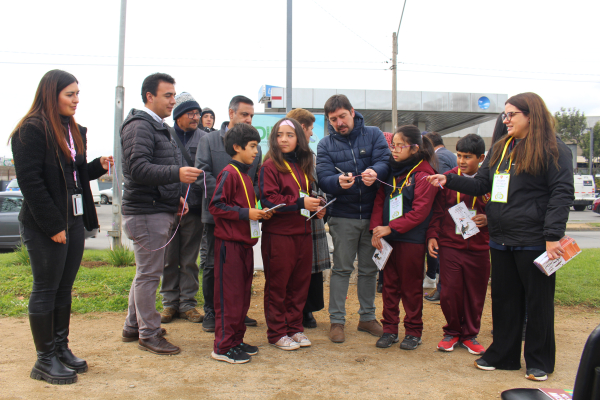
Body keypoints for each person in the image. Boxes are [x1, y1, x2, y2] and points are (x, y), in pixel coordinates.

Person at [426, 92, 574, 381]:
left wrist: (553, 236)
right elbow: (483, 182)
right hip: (500, 238)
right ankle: (504, 355)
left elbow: (561, 193)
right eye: (504, 114)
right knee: (505, 299)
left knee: (537, 302)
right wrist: (450, 179)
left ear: (531, 115)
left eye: (511, 114)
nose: (505, 120)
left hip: (534, 239)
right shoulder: (502, 147)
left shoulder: (554, 149)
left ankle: (539, 361)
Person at [10, 70, 111, 384]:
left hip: (74, 220)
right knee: (46, 289)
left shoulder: (73, 130)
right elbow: (31, 183)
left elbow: (75, 174)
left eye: (78, 94)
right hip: (45, 224)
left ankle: (60, 349)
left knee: (64, 289)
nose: (76, 100)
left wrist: (98, 166)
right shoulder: (31, 130)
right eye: (70, 94)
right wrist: (53, 225)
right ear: (51, 94)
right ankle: (44, 360)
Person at [120, 73, 202, 355]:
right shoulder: (140, 126)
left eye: (173, 94)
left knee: (145, 272)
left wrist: (174, 197)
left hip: (156, 208)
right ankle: (149, 333)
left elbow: (153, 169)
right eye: (167, 95)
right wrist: (176, 174)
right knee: (148, 276)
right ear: (149, 97)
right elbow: (138, 169)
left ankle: (134, 326)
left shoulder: (156, 126)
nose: (173, 100)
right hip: (145, 212)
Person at [316, 94, 391, 343]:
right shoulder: (325, 144)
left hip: (373, 216)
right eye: (333, 119)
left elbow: (385, 161)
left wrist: (375, 172)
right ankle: (337, 321)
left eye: (342, 116)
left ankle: (367, 317)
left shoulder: (374, 134)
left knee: (369, 270)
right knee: (342, 269)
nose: (339, 123)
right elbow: (323, 176)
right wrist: (336, 182)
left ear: (352, 111)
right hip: (343, 216)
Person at [370, 125, 439, 350]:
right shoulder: (393, 169)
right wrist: (376, 229)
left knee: (410, 287)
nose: (395, 150)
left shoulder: (424, 174)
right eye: (393, 146)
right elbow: (380, 198)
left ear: (415, 148)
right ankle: (389, 329)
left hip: (411, 239)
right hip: (389, 238)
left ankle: (413, 331)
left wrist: (390, 228)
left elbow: (420, 211)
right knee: (389, 285)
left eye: (401, 146)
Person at [196, 95, 261, 332]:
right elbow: (202, 173)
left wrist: (247, 204)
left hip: (243, 218)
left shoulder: (255, 148)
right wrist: (229, 197)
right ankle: (212, 312)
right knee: (213, 265)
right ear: (231, 113)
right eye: (244, 114)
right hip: (217, 215)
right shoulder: (209, 139)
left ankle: (236, 312)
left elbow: (255, 181)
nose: (249, 119)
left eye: (252, 115)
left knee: (239, 269)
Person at [209, 123, 271, 364]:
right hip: (229, 246)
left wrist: (259, 213)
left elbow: (243, 207)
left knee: (243, 296)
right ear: (236, 147)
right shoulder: (228, 173)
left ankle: (236, 340)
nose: (256, 151)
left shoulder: (245, 175)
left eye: (257, 146)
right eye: (253, 146)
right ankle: (223, 347)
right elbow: (216, 206)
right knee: (229, 297)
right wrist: (247, 214)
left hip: (244, 245)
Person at [259, 118, 322, 350]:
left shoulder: (302, 164)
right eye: (279, 135)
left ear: (299, 139)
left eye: (289, 135)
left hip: (303, 232)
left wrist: (316, 206)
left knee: (300, 284)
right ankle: (276, 332)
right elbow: (270, 199)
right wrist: (300, 201)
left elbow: (305, 194)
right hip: (279, 234)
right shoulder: (269, 166)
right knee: (278, 285)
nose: (283, 139)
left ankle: (294, 327)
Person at [426, 134, 490, 355]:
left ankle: (470, 335)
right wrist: (432, 235)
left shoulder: (489, 180)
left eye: (468, 157)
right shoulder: (447, 178)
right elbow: (437, 210)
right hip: (451, 245)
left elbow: (503, 208)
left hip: (480, 247)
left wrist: (488, 219)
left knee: (475, 293)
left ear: (481, 158)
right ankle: (451, 332)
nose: (462, 161)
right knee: (449, 292)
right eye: (459, 156)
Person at [160, 92, 207, 324]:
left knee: (189, 258)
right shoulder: (163, 135)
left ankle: (188, 303)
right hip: (168, 206)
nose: (196, 117)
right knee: (169, 258)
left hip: (195, 207)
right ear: (178, 115)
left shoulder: (205, 138)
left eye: (198, 113)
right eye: (191, 113)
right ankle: (169, 304)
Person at [286, 108, 330, 328]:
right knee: (291, 267)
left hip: (312, 219)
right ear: (302, 127)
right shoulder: (279, 158)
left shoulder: (311, 156)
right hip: (290, 218)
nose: (312, 134)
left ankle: (308, 308)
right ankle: (292, 309)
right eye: (311, 128)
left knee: (311, 267)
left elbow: (320, 186)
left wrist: (321, 204)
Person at [423, 131, 457, 302]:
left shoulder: (440, 158)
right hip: (454, 210)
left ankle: (439, 287)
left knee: (440, 249)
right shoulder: (449, 154)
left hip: (446, 210)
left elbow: (440, 185)